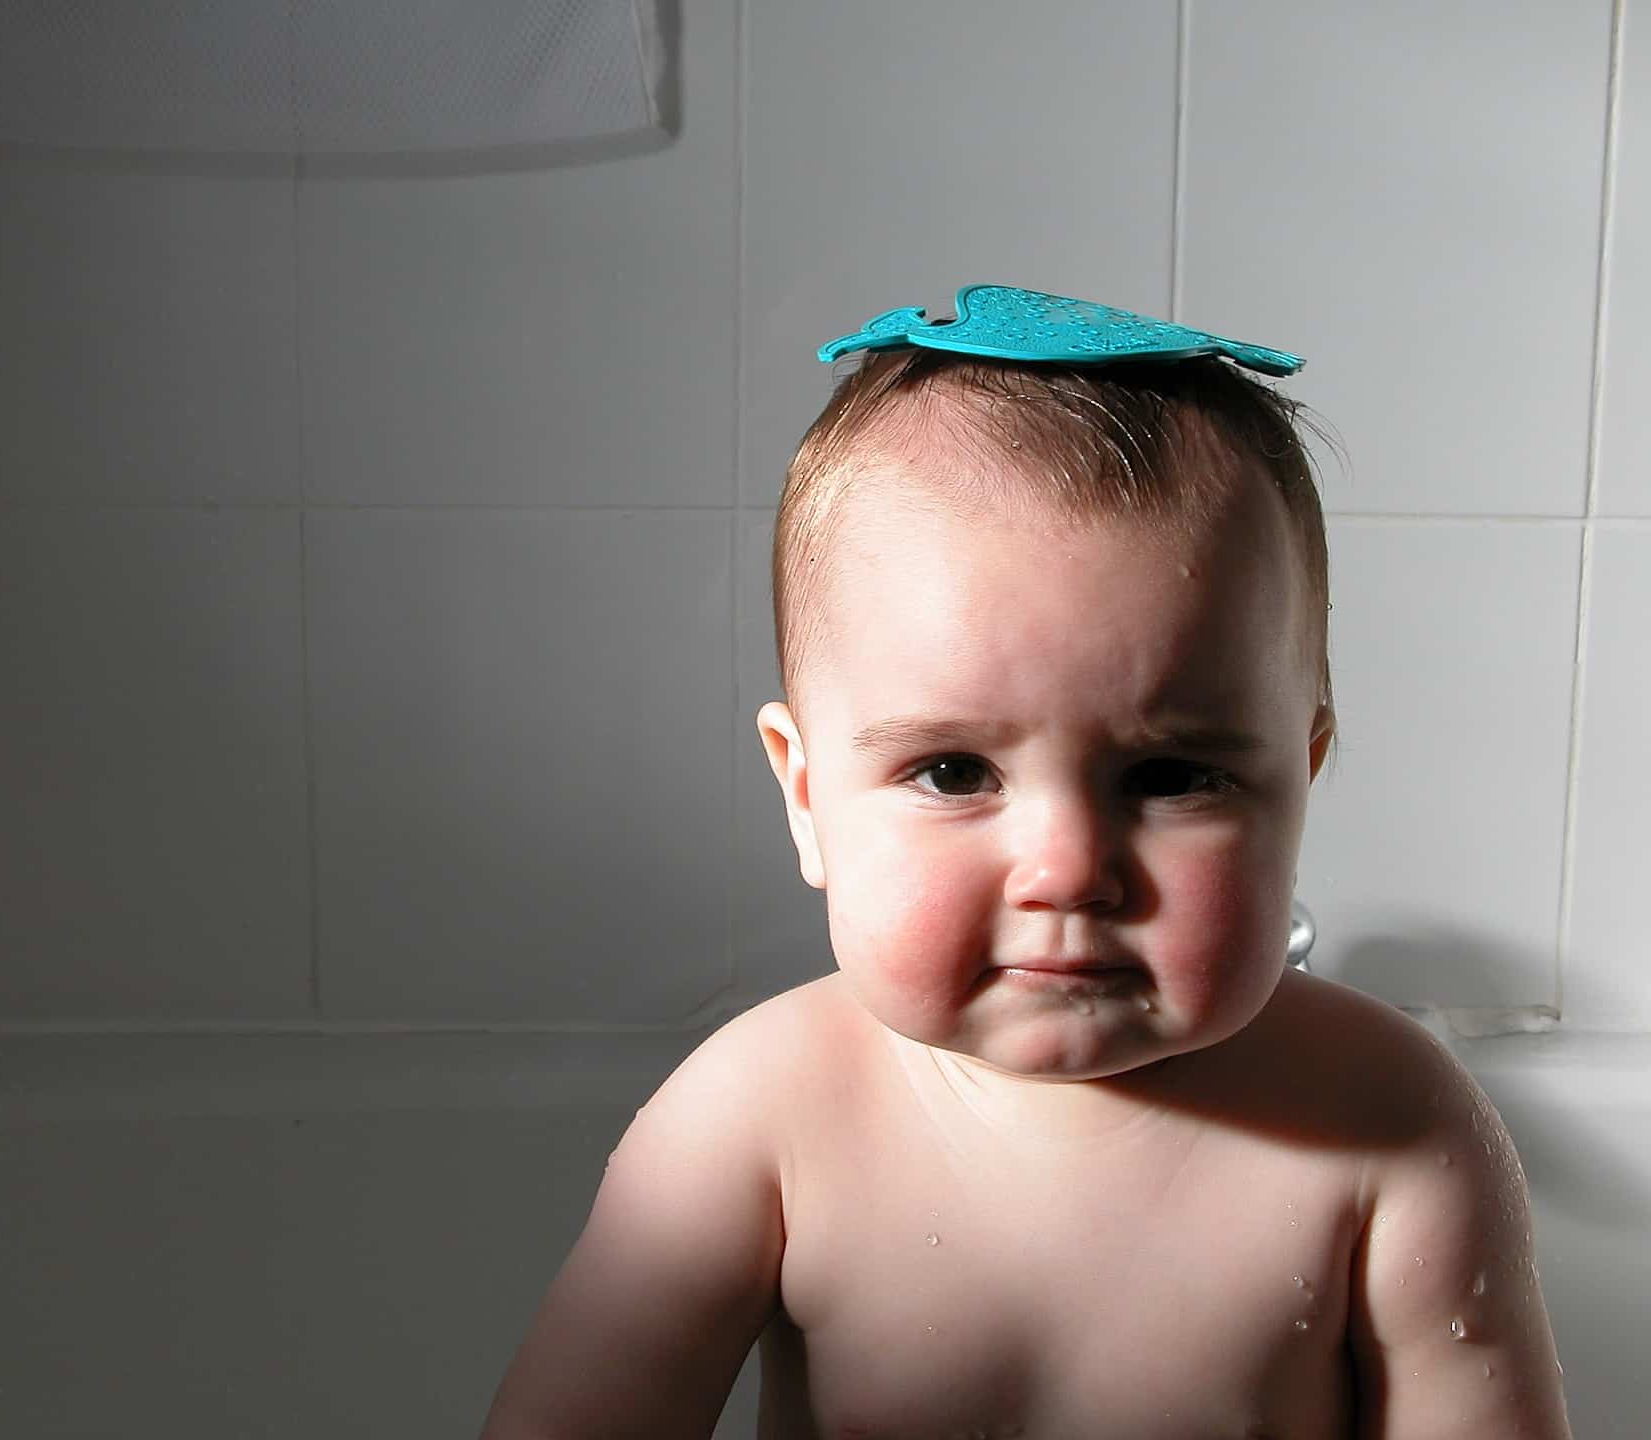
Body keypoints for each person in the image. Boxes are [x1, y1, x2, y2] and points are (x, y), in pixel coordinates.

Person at [480, 288, 1572, 1439]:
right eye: (954, 773)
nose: (1067, 871)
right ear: (807, 798)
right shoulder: (758, 1119)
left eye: (1169, 778)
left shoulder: (1390, 1119)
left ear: (1300, 775)